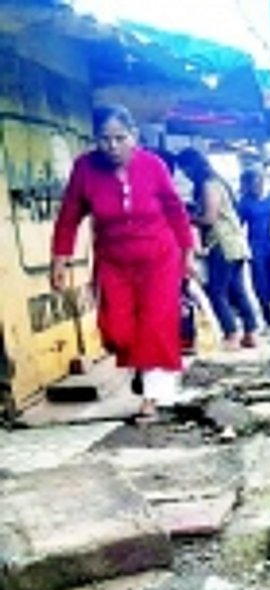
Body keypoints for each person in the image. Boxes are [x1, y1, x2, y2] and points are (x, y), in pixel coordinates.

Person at [51, 105, 195, 421]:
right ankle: (141, 367)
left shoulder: (153, 166)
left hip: (159, 257)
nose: (112, 146)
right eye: (104, 139)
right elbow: (69, 216)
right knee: (117, 330)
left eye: (120, 138)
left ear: (134, 136)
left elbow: (175, 210)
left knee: (155, 325)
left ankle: (151, 398)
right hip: (114, 261)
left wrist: (188, 251)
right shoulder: (85, 169)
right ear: (95, 140)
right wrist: (60, 259)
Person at [176, 147, 258, 349]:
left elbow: (209, 218)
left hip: (222, 243)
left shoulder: (208, 184)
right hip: (235, 244)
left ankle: (231, 334)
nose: (186, 175)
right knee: (237, 290)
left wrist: (187, 218)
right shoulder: (218, 182)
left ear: (192, 166)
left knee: (217, 292)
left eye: (185, 170)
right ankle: (250, 333)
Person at [237, 168, 270, 329]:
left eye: (258, 181)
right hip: (256, 245)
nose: (256, 185)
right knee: (261, 284)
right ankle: (269, 319)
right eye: (252, 183)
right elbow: (238, 225)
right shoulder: (244, 203)